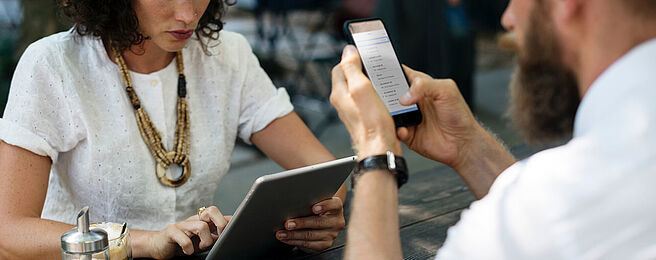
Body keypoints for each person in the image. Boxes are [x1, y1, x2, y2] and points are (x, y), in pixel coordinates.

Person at [0, 0, 346, 259]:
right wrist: (145, 241)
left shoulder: (228, 55)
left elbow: (326, 173)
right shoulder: (53, 64)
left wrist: (321, 216)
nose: (187, 14)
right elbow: (9, 231)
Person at [331, 0, 656, 258]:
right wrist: (467, 146)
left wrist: (376, 151)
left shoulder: (567, 196)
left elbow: (548, 218)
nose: (508, 19)